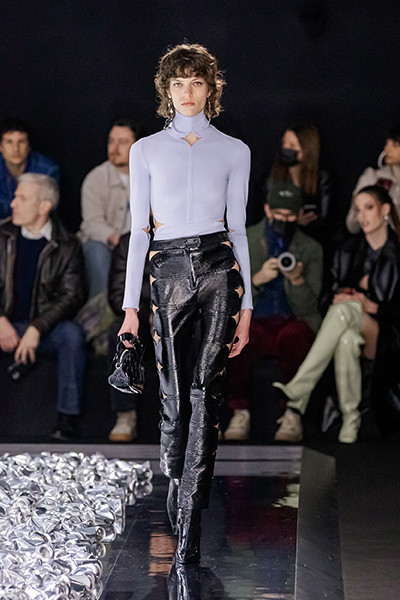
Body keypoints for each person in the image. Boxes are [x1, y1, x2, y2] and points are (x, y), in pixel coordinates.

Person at [119, 43, 252, 563]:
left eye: (197, 82)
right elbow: (139, 231)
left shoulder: (235, 150)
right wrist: (130, 309)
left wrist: (247, 307)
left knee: (206, 393)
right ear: (167, 90)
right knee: (174, 397)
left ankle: (191, 523)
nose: (187, 91)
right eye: (178, 83)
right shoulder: (145, 150)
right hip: (168, 269)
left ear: (211, 88)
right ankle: (177, 477)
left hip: (219, 268)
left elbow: (239, 230)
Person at [273, 185, 400, 443]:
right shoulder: (347, 251)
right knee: (346, 340)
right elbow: (325, 298)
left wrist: (370, 305)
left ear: (385, 210)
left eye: (369, 208)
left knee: (344, 311)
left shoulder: (396, 254)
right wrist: (341, 296)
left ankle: (299, 390)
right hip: (350, 326)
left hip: (387, 334)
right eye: (358, 209)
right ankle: (351, 421)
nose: (362, 216)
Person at [223, 181, 323, 441]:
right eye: (279, 213)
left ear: (299, 214)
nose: (283, 219)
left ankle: (292, 413)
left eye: (290, 215)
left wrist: (297, 280)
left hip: (292, 319)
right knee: (238, 338)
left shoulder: (311, 248)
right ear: (267, 209)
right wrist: (257, 279)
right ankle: (239, 411)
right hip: (256, 318)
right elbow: (229, 294)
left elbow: (309, 306)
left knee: (295, 338)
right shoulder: (245, 240)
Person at [0, 173, 87, 440]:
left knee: (71, 335)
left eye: (22, 198)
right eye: (15, 196)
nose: (13, 203)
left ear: (43, 206)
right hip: (5, 323)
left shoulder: (67, 245)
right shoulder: (2, 235)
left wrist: (37, 328)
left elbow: (72, 296)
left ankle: (67, 419)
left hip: (44, 329)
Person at [79, 117, 144, 298]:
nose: (114, 149)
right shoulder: (96, 178)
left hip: (140, 244)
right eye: (111, 142)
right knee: (96, 250)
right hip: (107, 244)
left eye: (122, 142)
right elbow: (92, 223)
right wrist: (118, 240)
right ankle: (100, 310)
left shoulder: (150, 175)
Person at [107, 232, 152, 442]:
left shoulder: (185, 235)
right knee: (119, 333)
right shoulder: (127, 242)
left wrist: (164, 311)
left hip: (176, 314)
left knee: (198, 333)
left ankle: (198, 415)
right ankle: (125, 414)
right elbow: (117, 295)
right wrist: (145, 313)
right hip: (139, 317)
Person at [268, 124, 336, 246]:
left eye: (292, 146)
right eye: (285, 144)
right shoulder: (273, 174)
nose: (286, 148)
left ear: (307, 148)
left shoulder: (322, 178)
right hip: (276, 237)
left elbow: (325, 217)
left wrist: (300, 221)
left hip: (312, 239)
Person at [0, 118, 60, 220]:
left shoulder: (47, 170)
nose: (15, 149)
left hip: (33, 226)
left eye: (21, 142)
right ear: (1, 147)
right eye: (9, 142)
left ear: (28, 146)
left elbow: (46, 212)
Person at [346, 124, 400, 233]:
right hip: (380, 239)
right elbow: (352, 225)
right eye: (387, 144)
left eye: (395, 145)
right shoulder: (373, 178)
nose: (387, 149)